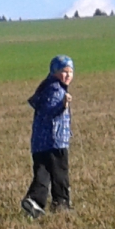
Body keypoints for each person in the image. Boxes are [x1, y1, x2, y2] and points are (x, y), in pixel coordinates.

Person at [23, 56, 72, 217]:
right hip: (55, 141)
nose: (68, 75)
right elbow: (50, 111)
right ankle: (61, 203)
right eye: (64, 71)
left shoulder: (48, 86)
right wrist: (63, 105)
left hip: (40, 142)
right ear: (54, 72)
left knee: (43, 172)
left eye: (70, 72)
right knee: (60, 174)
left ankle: (34, 201)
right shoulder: (55, 90)